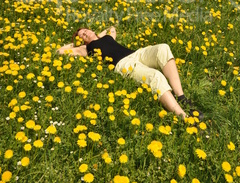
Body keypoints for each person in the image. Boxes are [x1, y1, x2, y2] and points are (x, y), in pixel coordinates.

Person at [58, 26, 203, 121]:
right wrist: (76, 43)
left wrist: (97, 34)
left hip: (136, 54)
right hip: (124, 65)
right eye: (82, 35)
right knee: (156, 77)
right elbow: (60, 51)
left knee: (163, 48)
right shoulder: (85, 49)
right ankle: (184, 118)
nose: (85, 33)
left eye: (86, 30)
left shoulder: (106, 37)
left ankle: (182, 97)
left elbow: (111, 28)